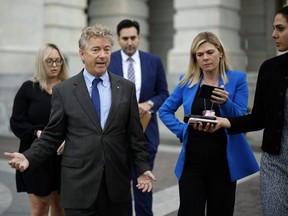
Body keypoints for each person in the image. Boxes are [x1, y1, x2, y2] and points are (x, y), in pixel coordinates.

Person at [5, 23, 156, 216]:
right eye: (96, 50)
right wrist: (28, 156)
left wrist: (143, 168)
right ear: (82, 54)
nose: (102, 55)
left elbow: (135, 137)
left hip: (116, 187)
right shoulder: (65, 90)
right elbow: (52, 135)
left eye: (107, 49)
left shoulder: (125, 88)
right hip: (79, 187)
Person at [158, 31, 259, 216]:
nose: (205, 58)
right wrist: (182, 129)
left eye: (209, 52)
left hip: (223, 162)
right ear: (195, 58)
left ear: (220, 52)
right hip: (193, 161)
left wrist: (225, 103)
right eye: (200, 54)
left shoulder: (237, 79)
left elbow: (240, 118)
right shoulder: (186, 80)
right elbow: (164, 110)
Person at [210, 5, 288, 216]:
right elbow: (259, 118)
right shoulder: (269, 68)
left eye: (280, 28)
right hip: (275, 162)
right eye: (273, 28)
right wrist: (227, 123)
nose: (274, 34)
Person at [108, 19, 169, 216]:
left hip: (146, 135)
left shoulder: (154, 61)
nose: (129, 42)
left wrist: (149, 104)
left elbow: (163, 93)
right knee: (119, 190)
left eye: (133, 38)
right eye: (125, 38)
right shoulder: (109, 60)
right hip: (116, 137)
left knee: (143, 185)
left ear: (139, 38)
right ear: (118, 39)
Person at [9, 43, 68, 216]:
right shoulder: (29, 88)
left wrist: (68, 138)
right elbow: (16, 121)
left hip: (64, 155)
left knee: (61, 207)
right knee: (40, 207)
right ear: (40, 63)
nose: (55, 65)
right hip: (36, 156)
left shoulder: (69, 88)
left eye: (58, 61)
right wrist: (37, 133)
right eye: (49, 61)